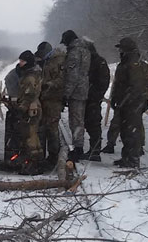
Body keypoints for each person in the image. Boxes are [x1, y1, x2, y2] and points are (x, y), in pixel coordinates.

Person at [110, 37, 148, 168]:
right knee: (125, 131)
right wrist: (115, 99)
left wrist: (126, 100)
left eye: (121, 48)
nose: (120, 51)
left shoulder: (133, 63)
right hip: (125, 103)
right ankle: (126, 157)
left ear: (126, 49)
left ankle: (133, 159)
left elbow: (135, 86)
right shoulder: (124, 63)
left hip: (132, 104)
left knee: (132, 132)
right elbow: (119, 84)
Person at [61, 30, 91, 162]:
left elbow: (72, 76)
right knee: (79, 120)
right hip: (83, 89)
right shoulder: (85, 50)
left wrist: (66, 94)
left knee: (76, 121)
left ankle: (78, 149)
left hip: (76, 91)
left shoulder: (74, 53)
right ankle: (78, 147)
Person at [38, 43, 66, 168]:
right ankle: (43, 155)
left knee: (52, 128)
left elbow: (62, 80)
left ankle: (54, 156)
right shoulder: (48, 61)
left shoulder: (59, 62)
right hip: (45, 98)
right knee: (43, 127)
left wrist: (48, 85)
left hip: (54, 99)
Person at [82, 41, 110, 162]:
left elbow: (104, 81)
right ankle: (94, 149)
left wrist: (96, 95)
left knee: (93, 124)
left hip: (93, 98)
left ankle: (95, 150)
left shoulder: (98, 62)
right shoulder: (92, 61)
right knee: (90, 123)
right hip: (88, 97)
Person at [16, 51, 43, 175]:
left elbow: (29, 95)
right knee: (33, 136)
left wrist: (21, 108)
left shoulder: (30, 77)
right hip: (33, 107)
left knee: (30, 136)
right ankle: (35, 163)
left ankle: (32, 165)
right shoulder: (32, 74)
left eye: (22, 61)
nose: (20, 63)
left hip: (31, 109)